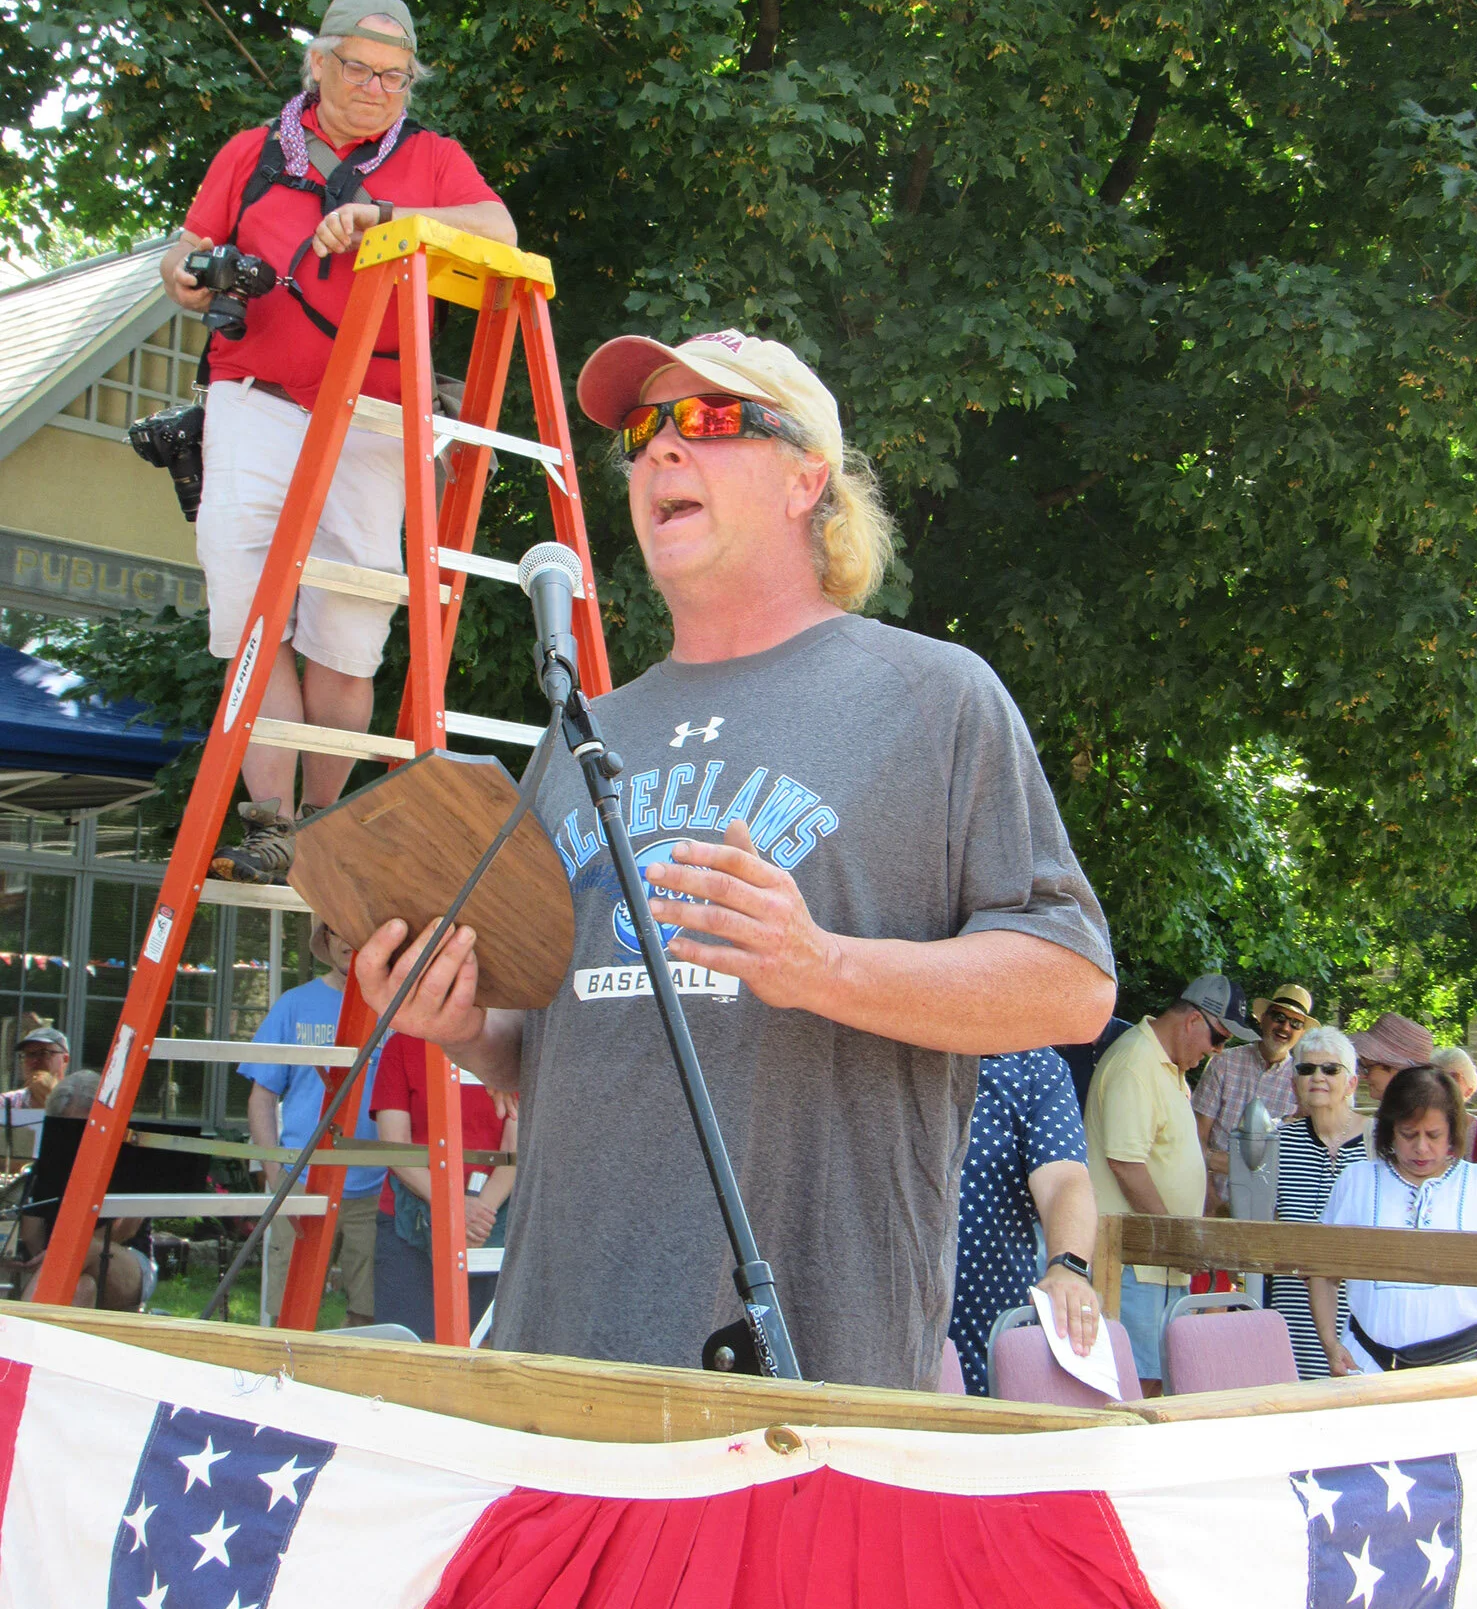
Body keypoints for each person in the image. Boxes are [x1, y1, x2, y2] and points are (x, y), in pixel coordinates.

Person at [356, 326, 1116, 1389]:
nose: (662, 448)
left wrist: (821, 965)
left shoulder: (935, 699)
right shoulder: (582, 735)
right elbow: (553, 1050)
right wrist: (462, 1025)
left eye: (711, 419)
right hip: (557, 1349)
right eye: (644, 430)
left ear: (810, 480)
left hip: (803, 1368)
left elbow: (1074, 986)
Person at [160, 0, 518, 884]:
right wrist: (189, 275)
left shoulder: (432, 158)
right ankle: (272, 824)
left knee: (349, 631)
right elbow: (185, 247)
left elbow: (500, 232)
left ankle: (323, 826)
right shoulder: (251, 152)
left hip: (376, 413)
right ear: (317, 63)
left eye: (396, 77)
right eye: (359, 69)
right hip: (256, 398)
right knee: (249, 612)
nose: (376, 89)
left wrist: (390, 219)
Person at [1083, 975, 1256, 1395]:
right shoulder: (1137, 1064)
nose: (1218, 1051)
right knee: (1134, 1385)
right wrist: (1176, 1239)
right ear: (1193, 1020)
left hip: (1154, 1264)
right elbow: (1126, 1165)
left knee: (1157, 1379)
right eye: (1218, 1039)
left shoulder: (1167, 1065)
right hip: (1132, 1264)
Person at [237, 921, 388, 1328]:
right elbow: (261, 1096)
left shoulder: (398, 1007)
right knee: (289, 1314)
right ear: (325, 940)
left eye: (358, 931)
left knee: (370, 1318)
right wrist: (276, 1175)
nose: (349, 941)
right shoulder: (294, 1004)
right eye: (338, 930)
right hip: (302, 1182)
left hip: (376, 1188)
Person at [1309, 1066, 1477, 1373]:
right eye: (1409, 1134)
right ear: (1390, 1130)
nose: (1421, 1147)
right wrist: (1330, 1344)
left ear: (1452, 1131)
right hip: (1369, 1364)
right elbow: (1322, 1274)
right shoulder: (1357, 1181)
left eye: (1433, 1135)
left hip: (1467, 1367)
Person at [948, 1047, 1102, 1395]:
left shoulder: (1035, 1066)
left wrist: (1068, 1267)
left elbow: (1064, 1178)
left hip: (982, 1338)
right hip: (868, 1329)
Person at [370, 1039, 515, 1341]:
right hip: (411, 1221)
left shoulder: (507, 1044)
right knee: (409, 1348)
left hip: (489, 1223)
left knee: (490, 1348)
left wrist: (476, 1215)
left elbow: (516, 1148)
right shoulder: (402, 1045)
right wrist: (456, 1206)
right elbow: (394, 1145)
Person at [1265, 1027, 1368, 1378]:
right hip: (1292, 1309)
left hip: (1359, 1316)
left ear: (1351, 1083)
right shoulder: (1278, 1142)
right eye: (1306, 1069)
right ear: (1294, 1082)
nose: (1318, 1077)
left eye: (1331, 1069)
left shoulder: (1378, 1143)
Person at [19, 1072, 157, 1309]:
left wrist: (61, 1253)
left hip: (126, 1258)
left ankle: (21, 1327)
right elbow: (32, 1234)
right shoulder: (48, 1164)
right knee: (82, 1288)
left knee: (85, 1247)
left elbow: (126, 1228)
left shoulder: (131, 1156)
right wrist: (48, 1256)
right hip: (57, 1263)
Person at [1193, 982, 1314, 1215]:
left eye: (1295, 1023)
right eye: (1279, 1017)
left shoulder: (1304, 1081)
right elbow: (1197, 1135)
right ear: (1263, 1018)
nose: (1285, 1027)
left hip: (1272, 1214)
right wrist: (1210, 1200)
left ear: (1302, 1033)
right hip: (1209, 1200)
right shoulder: (1223, 1063)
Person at [1349, 1010, 1432, 1106]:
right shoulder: (1412, 1111)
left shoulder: (1419, 1114)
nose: (1362, 1076)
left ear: (1398, 1070)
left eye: (1367, 1068)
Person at [1, 1024, 70, 1112]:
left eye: (44, 1053)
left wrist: (53, 1097)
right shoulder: (5, 1102)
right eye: (28, 1054)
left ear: (65, 1059)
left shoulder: (80, 1102)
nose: (34, 1060)